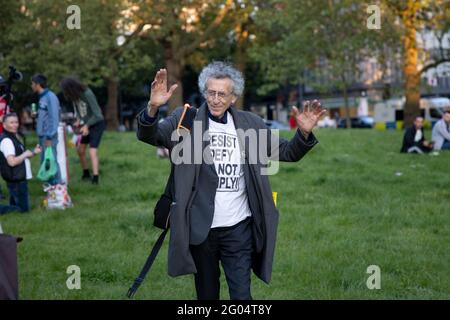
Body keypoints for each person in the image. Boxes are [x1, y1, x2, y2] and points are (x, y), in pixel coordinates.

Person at [136, 62, 326, 300]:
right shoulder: (184, 120)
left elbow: (288, 152)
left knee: (242, 297)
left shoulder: (251, 124)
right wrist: (152, 108)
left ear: (233, 97)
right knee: (207, 296)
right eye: (211, 93)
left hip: (239, 228)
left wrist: (304, 133)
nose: (215, 99)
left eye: (222, 94)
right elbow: (150, 136)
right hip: (200, 230)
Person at [59, 77, 105, 185]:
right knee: (80, 150)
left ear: (71, 88)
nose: (65, 93)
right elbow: (79, 112)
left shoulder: (87, 93)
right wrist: (79, 121)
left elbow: (98, 115)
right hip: (87, 125)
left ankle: (95, 178)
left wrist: (87, 125)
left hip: (97, 124)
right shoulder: (75, 96)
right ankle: (86, 174)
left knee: (92, 151)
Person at [0, 113, 41, 214]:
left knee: (16, 207)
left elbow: (22, 155)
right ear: (4, 125)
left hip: (18, 177)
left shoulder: (13, 137)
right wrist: (25, 154)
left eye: (16, 122)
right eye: (11, 122)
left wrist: (33, 152)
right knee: (22, 210)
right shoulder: (7, 141)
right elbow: (12, 162)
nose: (15, 125)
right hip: (16, 178)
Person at [31, 74, 62, 185]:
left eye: (32, 84)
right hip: (43, 136)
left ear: (38, 85)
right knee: (46, 162)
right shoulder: (42, 97)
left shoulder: (50, 97)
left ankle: (58, 188)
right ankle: (51, 189)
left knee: (51, 161)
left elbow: (54, 118)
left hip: (48, 136)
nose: (31, 86)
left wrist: (49, 136)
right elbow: (46, 115)